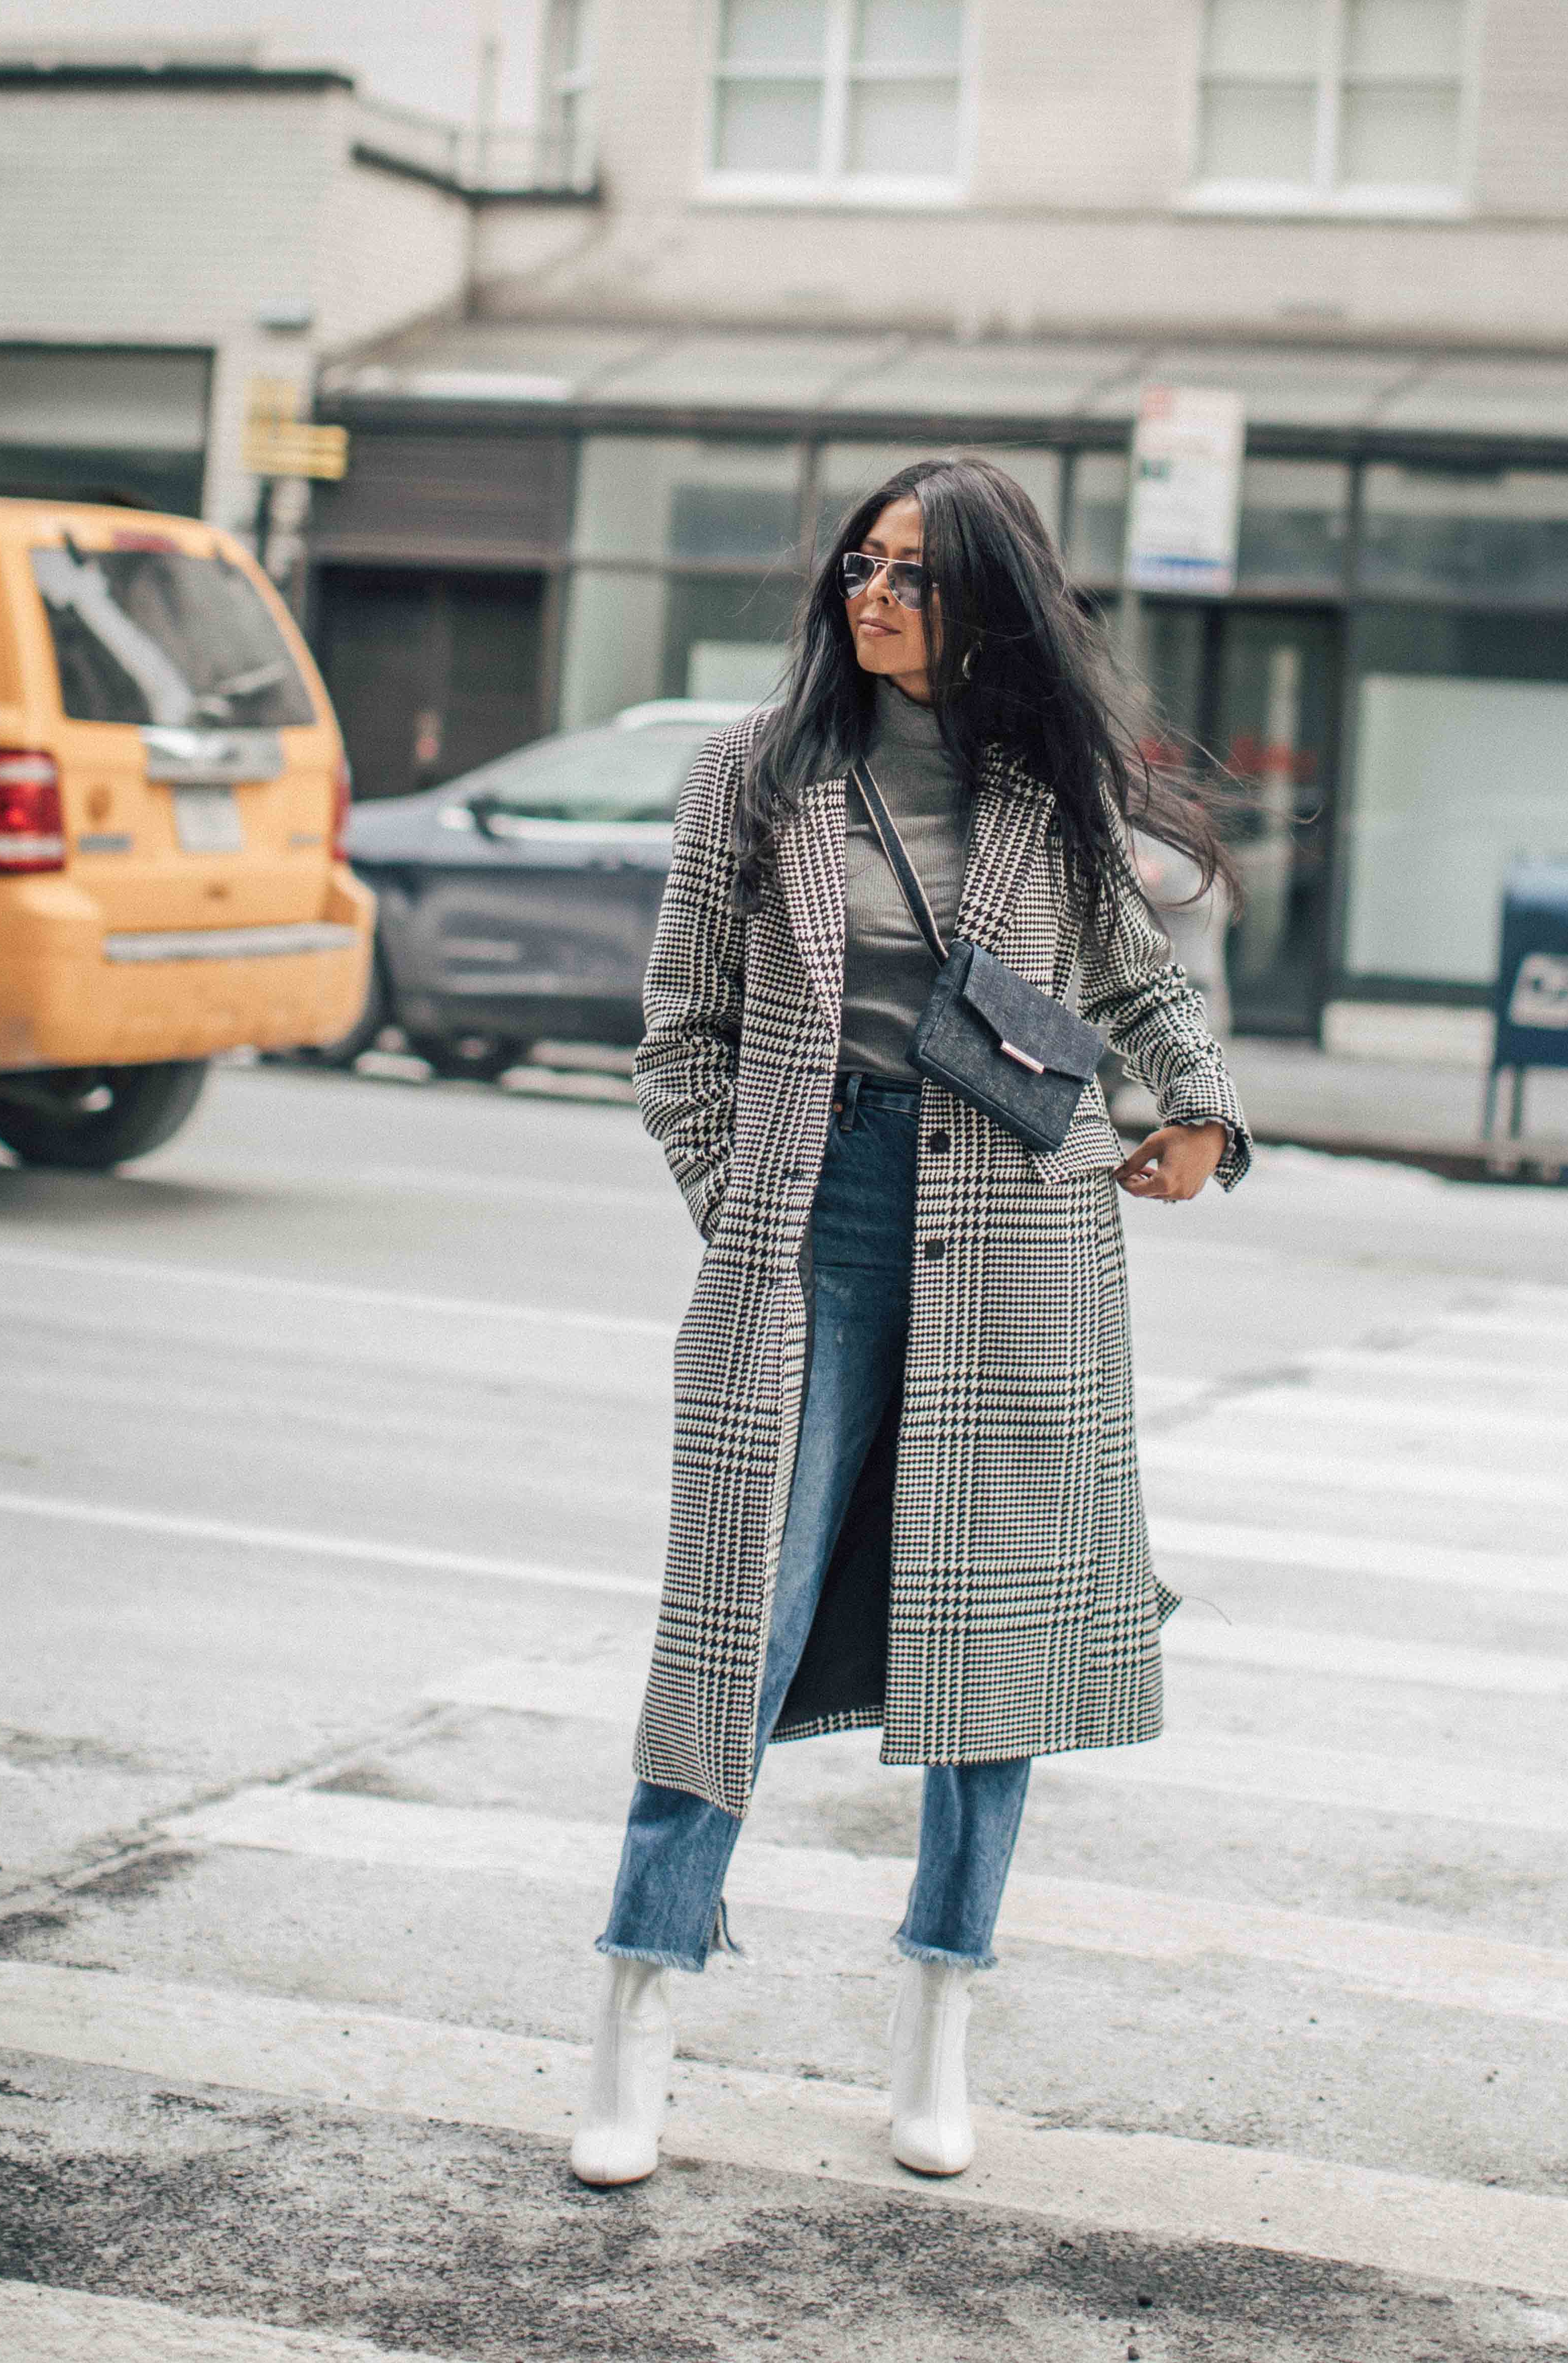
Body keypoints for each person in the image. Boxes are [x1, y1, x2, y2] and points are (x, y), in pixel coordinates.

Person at [570, 454, 1250, 2188]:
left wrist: (1199, 1111)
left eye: (912, 577)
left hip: (1020, 1241)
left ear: (986, 603)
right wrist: (749, 1210)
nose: (871, 599)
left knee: (990, 1654)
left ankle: (940, 2017)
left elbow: (1141, 983)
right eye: (858, 569)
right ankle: (637, 2016)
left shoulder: (1043, 790)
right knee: (738, 1622)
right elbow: (675, 1035)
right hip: (815, 1232)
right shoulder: (755, 774)